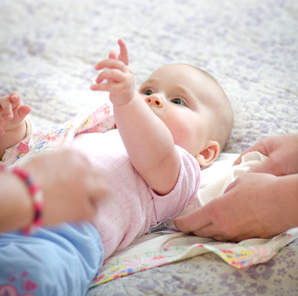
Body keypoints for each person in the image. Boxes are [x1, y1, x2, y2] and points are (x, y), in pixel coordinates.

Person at [0, 39, 233, 296]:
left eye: (178, 101)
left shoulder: (180, 166)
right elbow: (33, 153)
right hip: (10, 201)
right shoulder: (97, 133)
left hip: (59, 234)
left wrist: (128, 101)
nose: (154, 99)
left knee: (31, 274)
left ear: (205, 152)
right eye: (146, 91)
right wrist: (12, 131)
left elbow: (154, 152)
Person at [174, 133, 298, 241]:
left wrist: (281, 201)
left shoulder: (230, 173)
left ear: (205, 152)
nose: (154, 104)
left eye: (178, 103)